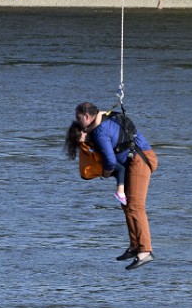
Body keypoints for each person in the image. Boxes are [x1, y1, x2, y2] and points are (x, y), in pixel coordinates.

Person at [71, 102, 159, 270]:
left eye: (78, 117)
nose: (77, 121)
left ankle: (146, 251)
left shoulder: (100, 133)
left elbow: (110, 162)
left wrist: (104, 174)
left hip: (140, 160)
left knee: (135, 206)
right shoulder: (105, 116)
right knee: (126, 205)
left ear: (87, 116)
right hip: (137, 159)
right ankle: (135, 246)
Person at [64, 120, 127, 206]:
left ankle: (123, 189)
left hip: (97, 165)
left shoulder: (86, 141)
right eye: (80, 136)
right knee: (121, 169)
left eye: (84, 133)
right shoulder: (90, 141)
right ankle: (120, 193)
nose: (83, 137)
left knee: (119, 173)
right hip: (101, 164)